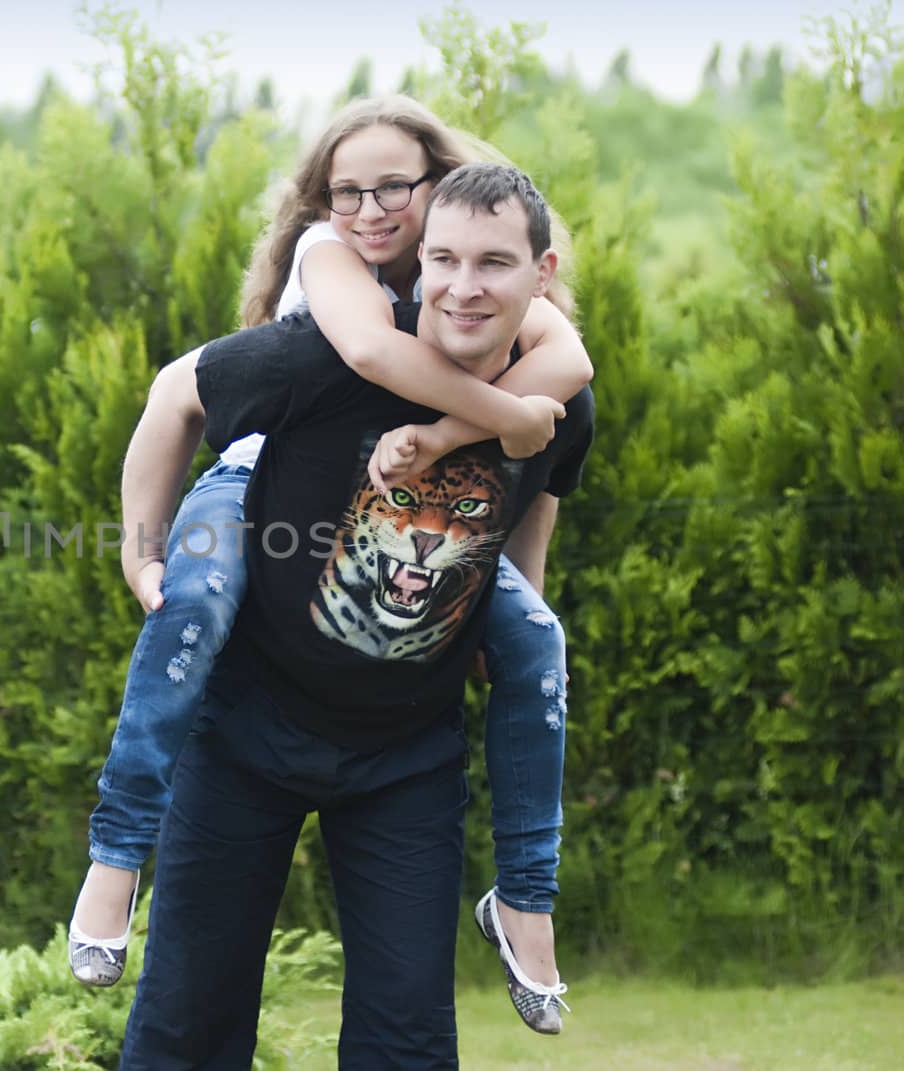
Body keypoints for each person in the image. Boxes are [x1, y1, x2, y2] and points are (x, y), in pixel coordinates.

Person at [70, 97, 589, 1033]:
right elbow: (184, 391)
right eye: (351, 190)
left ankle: (526, 900)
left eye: (396, 188)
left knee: (408, 1036)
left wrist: (497, 620)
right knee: (187, 1020)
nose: (374, 208)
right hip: (248, 728)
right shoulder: (325, 330)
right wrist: (137, 548)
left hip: (407, 752)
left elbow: (532, 501)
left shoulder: (543, 369)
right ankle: (116, 851)